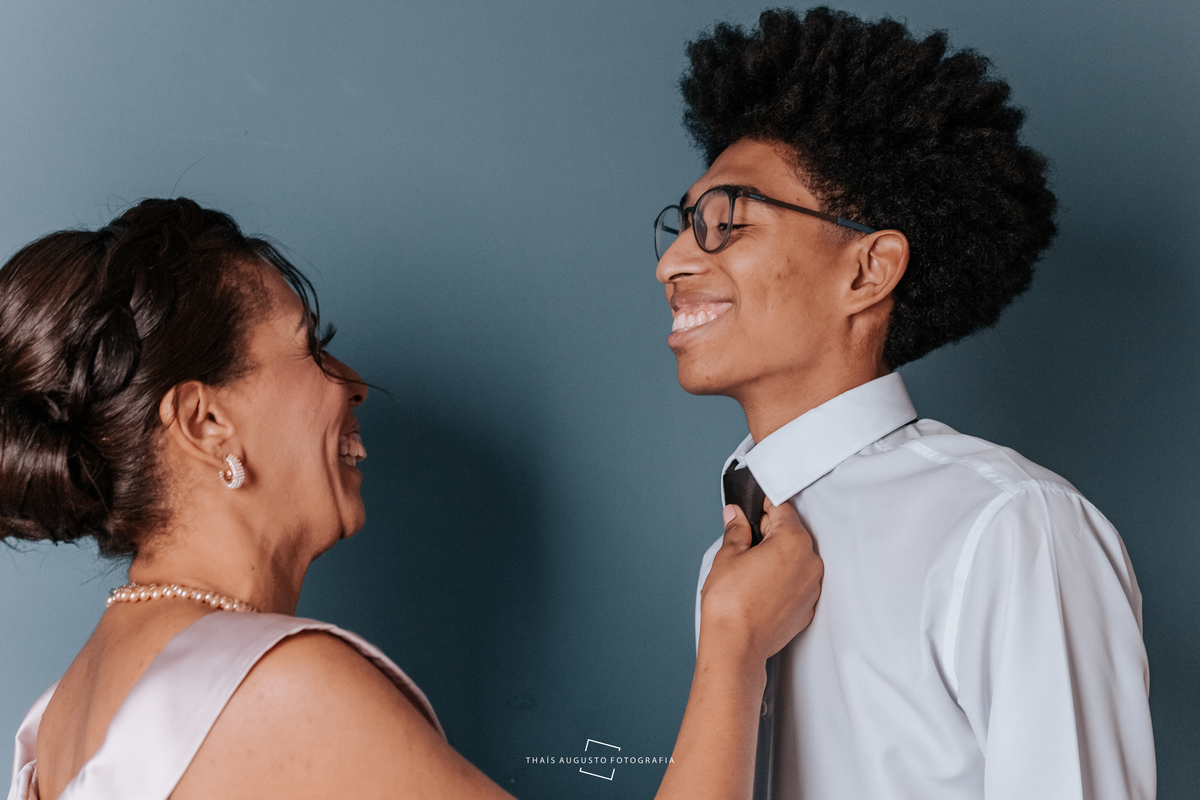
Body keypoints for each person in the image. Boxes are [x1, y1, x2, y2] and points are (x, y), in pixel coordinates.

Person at [1, 198, 823, 800]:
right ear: (205, 422)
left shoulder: (61, 715)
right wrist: (735, 647)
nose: (354, 384)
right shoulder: (276, 688)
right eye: (311, 350)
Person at [653, 7, 1154, 800]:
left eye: (725, 223)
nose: (673, 264)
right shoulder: (735, 566)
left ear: (868, 270)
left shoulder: (1009, 528)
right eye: (682, 226)